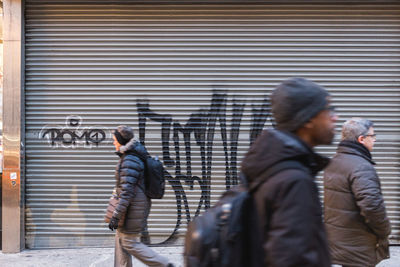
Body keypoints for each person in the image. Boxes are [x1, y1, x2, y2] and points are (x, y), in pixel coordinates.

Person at [241, 77, 337, 266]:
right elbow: (291, 259)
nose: (335, 117)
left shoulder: (270, 165)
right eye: (328, 109)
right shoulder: (294, 180)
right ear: (308, 118)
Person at [324, 118, 391, 267]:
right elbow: (372, 207)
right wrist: (385, 230)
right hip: (358, 244)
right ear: (361, 139)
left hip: (341, 241)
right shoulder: (361, 167)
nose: (374, 140)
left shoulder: (335, 162)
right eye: (372, 136)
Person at [108, 125, 174, 267]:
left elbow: (127, 193)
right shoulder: (131, 156)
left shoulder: (129, 160)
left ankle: (164, 264)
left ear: (121, 141)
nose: (113, 143)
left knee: (129, 242)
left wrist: (116, 215)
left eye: (115, 140)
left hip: (133, 209)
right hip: (134, 206)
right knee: (122, 240)